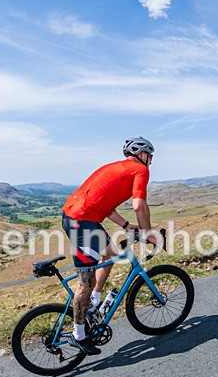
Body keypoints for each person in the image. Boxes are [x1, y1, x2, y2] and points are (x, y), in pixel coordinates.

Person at [60, 137, 159, 355]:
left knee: (111, 255)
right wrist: (148, 233)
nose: (150, 161)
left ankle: (94, 302)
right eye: (150, 157)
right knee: (84, 281)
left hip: (79, 217)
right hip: (81, 223)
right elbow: (138, 205)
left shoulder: (116, 168)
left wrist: (125, 225)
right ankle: (79, 335)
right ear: (143, 155)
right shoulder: (140, 171)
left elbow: (104, 205)